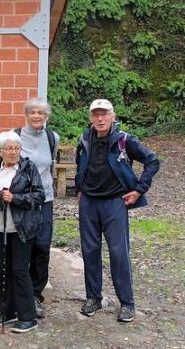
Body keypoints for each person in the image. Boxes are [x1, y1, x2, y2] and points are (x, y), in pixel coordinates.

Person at [75, 99, 159, 323]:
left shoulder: (124, 140)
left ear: (113, 116)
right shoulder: (84, 139)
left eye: (104, 114)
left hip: (115, 203)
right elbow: (80, 164)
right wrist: (80, 188)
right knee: (90, 251)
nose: (100, 119)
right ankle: (94, 298)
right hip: (89, 203)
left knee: (118, 253)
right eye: (96, 115)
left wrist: (139, 190)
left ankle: (127, 303)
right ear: (91, 118)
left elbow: (152, 161)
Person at [0, 131, 45, 333]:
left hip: (22, 228)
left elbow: (39, 196)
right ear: (0, 150)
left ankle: (28, 316)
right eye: (9, 148)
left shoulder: (29, 168)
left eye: (16, 148)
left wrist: (16, 198)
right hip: (0, 226)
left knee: (20, 270)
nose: (13, 152)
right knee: (5, 270)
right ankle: (10, 310)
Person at [13, 98, 59, 318]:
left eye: (41, 113)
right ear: (26, 114)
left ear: (46, 116)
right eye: (33, 112)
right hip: (21, 200)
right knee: (23, 248)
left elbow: (50, 167)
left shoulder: (52, 138)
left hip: (44, 200)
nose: (37, 116)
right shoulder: (15, 136)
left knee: (42, 247)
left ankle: (35, 295)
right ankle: (18, 294)